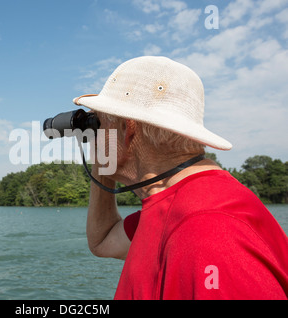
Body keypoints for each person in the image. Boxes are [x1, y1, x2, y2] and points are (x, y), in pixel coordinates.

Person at [73, 56, 288, 300]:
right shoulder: (175, 205)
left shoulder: (208, 232)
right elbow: (102, 240)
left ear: (127, 129)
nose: (94, 136)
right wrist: (104, 159)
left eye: (98, 123)